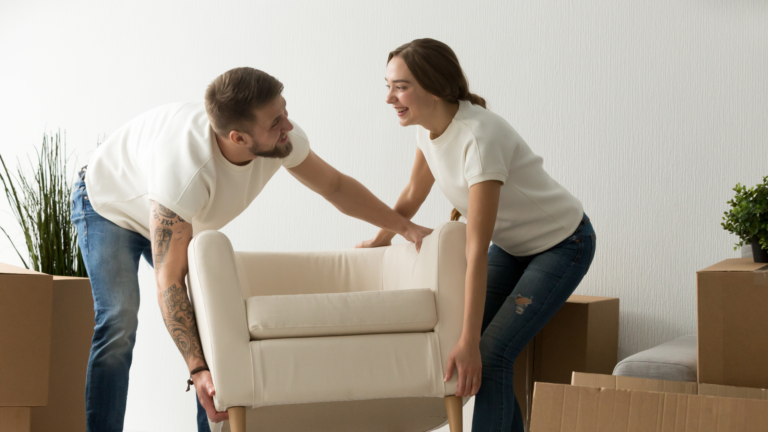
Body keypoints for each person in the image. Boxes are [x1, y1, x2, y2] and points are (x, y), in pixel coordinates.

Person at [71, 67, 432, 432]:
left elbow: (335, 187)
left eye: (284, 111)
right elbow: (169, 281)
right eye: (276, 121)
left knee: (213, 324)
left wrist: (403, 227)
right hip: (108, 206)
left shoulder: (281, 139)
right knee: (119, 318)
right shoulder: (186, 172)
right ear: (238, 137)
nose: (288, 126)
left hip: (175, 217)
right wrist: (196, 369)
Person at [357, 38, 596, 432]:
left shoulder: (478, 138)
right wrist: (380, 240)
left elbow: (475, 250)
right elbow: (413, 195)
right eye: (388, 85)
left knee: (489, 351)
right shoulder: (428, 128)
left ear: (433, 86)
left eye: (400, 86)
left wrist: (469, 343)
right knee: (475, 345)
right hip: (516, 247)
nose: (389, 98)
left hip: (563, 244)